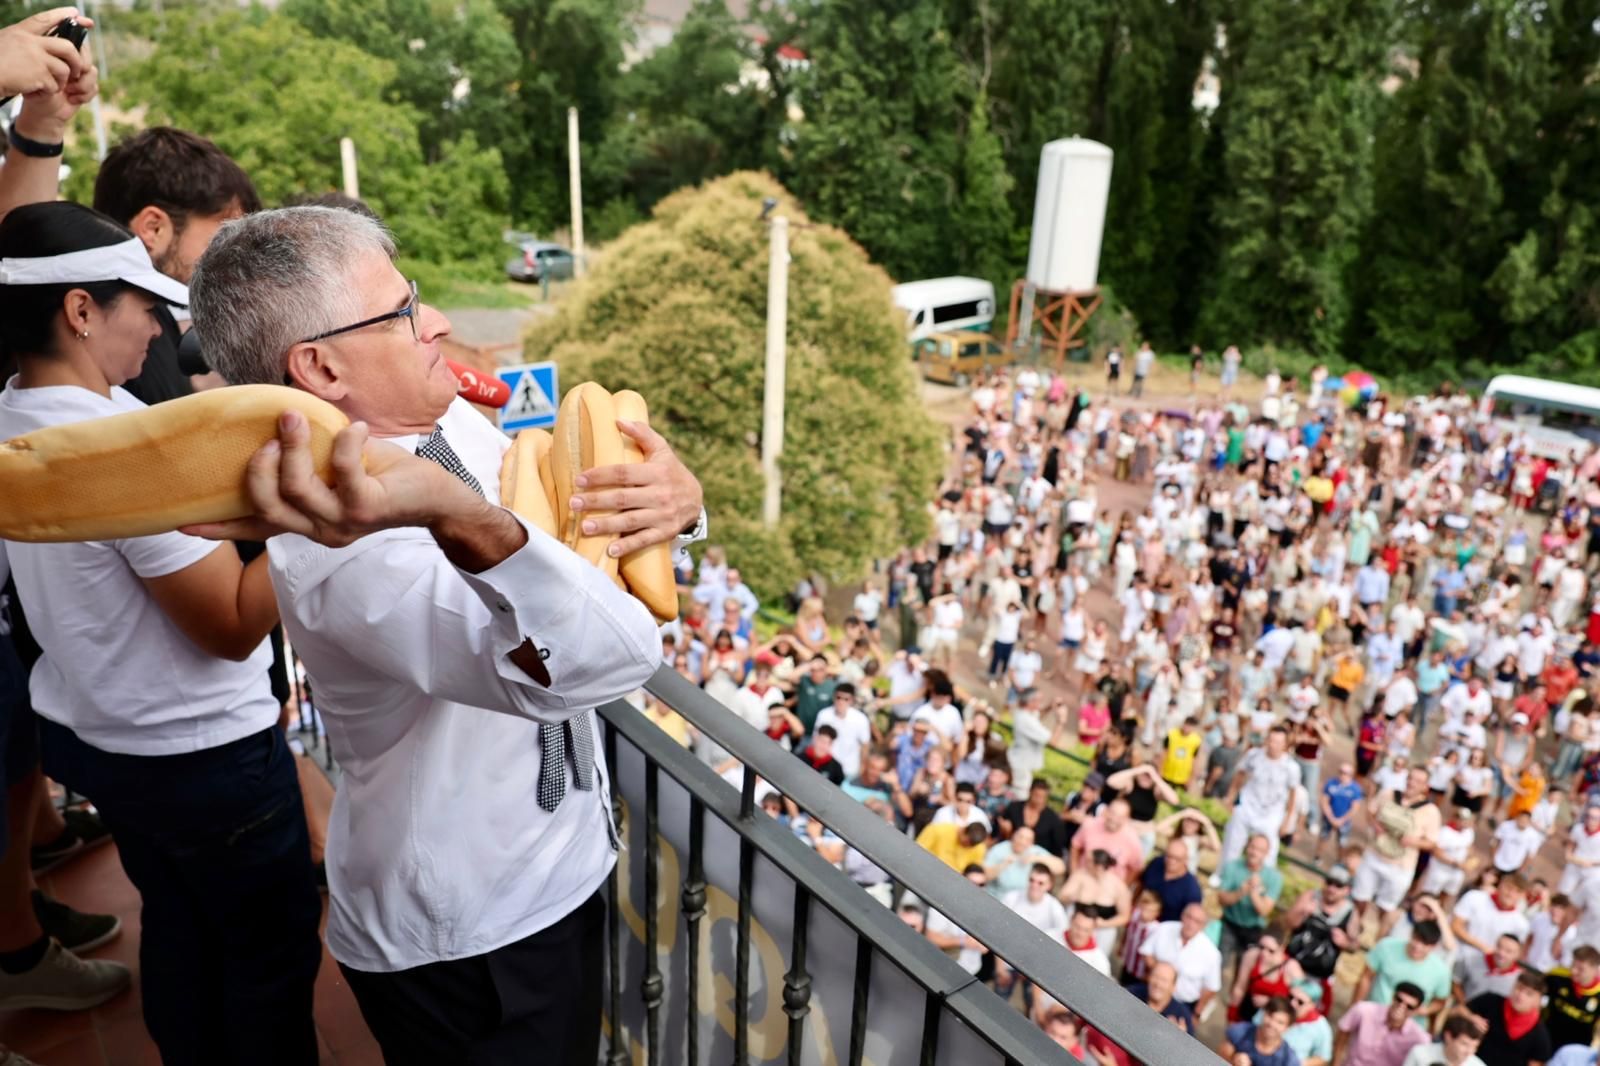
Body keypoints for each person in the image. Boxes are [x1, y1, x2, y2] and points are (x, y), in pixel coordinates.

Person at [187, 206, 705, 1063]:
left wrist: (676, 510)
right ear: (320, 368)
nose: (440, 323)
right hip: (472, 927)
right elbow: (601, 658)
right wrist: (459, 513)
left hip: (555, 862)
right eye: (402, 312)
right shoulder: (345, 554)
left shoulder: (439, 425)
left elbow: (569, 534)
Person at [0, 201, 323, 1063]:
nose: (160, 329)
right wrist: (301, 518)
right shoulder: (123, 456)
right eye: (144, 306)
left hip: (98, 735)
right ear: (79, 310)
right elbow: (226, 626)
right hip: (199, 755)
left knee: (178, 928)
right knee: (267, 959)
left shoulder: (15, 418)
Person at [91, 127, 262, 402]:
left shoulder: (132, 316)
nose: (236, 259)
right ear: (153, 228)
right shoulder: (139, 326)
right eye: (223, 236)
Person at [1353, 767, 1440, 939]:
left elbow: (1431, 843)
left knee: (1386, 908)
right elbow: (1371, 812)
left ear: (1425, 786)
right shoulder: (1389, 794)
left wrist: (1413, 841)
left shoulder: (1431, 811)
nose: (1411, 783)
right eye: (1410, 778)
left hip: (1401, 865)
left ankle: (1379, 941)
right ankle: (1353, 931)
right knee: (1360, 897)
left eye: (1417, 781)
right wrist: (1375, 826)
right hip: (1375, 855)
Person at [1139, 902, 1222, 1016]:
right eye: (1189, 917)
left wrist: (1197, 1013)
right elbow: (1146, 951)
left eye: (1197, 921)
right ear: (1182, 916)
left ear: (1203, 926)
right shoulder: (1164, 928)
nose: (1190, 924)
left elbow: (1211, 987)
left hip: (1182, 1004)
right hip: (1152, 992)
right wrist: (1161, 974)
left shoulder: (1211, 954)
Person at [1218, 833, 1284, 974]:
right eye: (1253, 847)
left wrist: (1254, 892)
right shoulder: (1232, 867)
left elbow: (1264, 910)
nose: (1255, 852)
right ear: (1247, 847)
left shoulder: (1274, 877)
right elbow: (1221, 900)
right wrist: (1241, 891)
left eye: (1260, 850)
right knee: (1219, 964)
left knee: (1244, 970)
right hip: (1229, 923)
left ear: (1266, 853)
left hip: (1254, 929)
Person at [1358, 922, 1452, 1017]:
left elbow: (1441, 1001)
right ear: (1411, 934)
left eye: (1425, 944)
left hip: (1409, 1024)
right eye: (1416, 939)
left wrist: (1425, 1010)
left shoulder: (1441, 971)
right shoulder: (1386, 946)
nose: (1418, 946)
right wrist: (1356, 1008)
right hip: (1376, 1013)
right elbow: (1366, 977)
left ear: (1434, 946)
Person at [1466, 970, 1554, 1066]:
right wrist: (1470, 1017)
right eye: (1519, 988)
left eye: (1529, 994)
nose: (1520, 996)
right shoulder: (1490, 1001)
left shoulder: (1540, 1035)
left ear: (1538, 1001)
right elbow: (1456, 1011)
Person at [1333, 983, 1431, 1066]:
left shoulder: (1419, 1038)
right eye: (1399, 1000)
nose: (1401, 1007)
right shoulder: (1364, 1010)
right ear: (1393, 997)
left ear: (1416, 1010)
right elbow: (1341, 1036)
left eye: (1409, 1006)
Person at [1542, 947, 1600, 1052]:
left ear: (1595, 970)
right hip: (1546, 1040)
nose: (1574, 971)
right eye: (1573, 965)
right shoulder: (1556, 976)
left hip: (1575, 1052)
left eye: (1581, 969)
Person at [1140, 838, 1204, 922]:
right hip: (1141, 918)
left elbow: (1189, 919)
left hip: (1166, 928)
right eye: (1169, 856)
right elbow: (1141, 884)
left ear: (1186, 860)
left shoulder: (1192, 890)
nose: (1171, 861)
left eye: (1177, 858)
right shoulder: (1156, 863)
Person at [1398, 1014, 1487, 1066]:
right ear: (1448, 1037)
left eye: (1475, 1047)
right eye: (1464, 1044)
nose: (1469, 1051)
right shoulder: (1419, 1053)